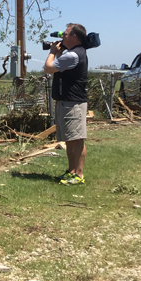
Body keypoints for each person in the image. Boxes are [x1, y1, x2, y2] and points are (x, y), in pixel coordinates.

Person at [43, 23, 88, 185]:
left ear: (74, 37)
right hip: (66, 101)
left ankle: (79, 175)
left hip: (73, 103)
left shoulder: (73, 55)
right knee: (70, 139)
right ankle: (71, 171)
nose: (62, 37)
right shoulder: (71, 53)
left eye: (66, 34)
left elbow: (48, 68)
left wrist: (53, 52)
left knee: (77, 139)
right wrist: (60, 51)